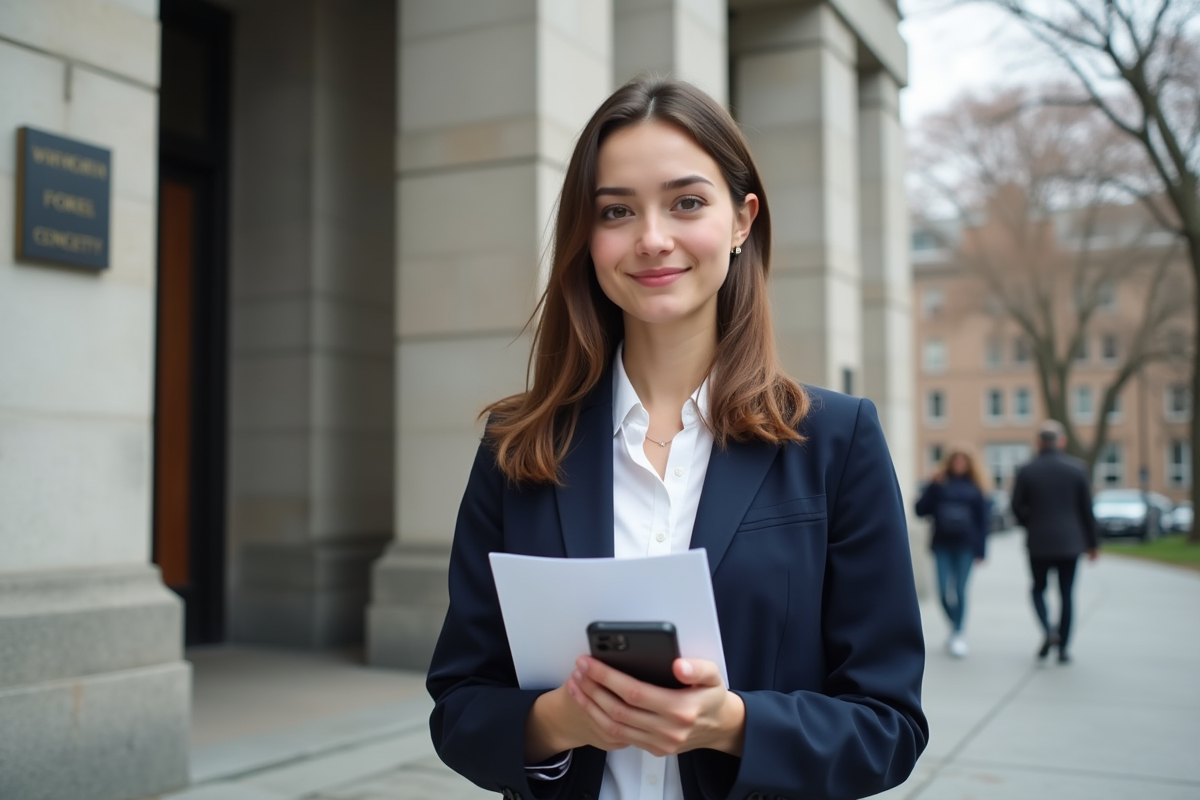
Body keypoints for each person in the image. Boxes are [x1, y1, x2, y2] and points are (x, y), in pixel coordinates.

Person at [426, 78, 928, 800]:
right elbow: (460, 705)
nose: (651, 238)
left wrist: (730, 722)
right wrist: (559, 721)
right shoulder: (518, 447)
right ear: (586, 237)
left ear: (741, 220)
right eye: (616, 211)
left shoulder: (836, 442)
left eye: (687, 202)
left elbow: (889, 727)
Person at [1010, 420, 1099, 664]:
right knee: (1066, 594)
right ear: (1061, 441)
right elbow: (1086, 510)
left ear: (1038, 442)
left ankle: (1049, 631)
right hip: (1070, 543)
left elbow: (1016, 507)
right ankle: (1063, 647)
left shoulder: (1026, 470)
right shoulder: (1077, 469)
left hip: (1039, 542)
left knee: (1038, 588)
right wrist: (1093, 544)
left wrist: (1031, 523)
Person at [914, 446, 990, 658]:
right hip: (942, 545)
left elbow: (983, 522)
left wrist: (981, 551)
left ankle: (958, 633)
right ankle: (955, 624)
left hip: (966, 546)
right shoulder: (939, 484)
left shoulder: (975, 488)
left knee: (960, 591)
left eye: (962, 461)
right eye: (955, 461)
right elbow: (920, 510)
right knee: (941, 592)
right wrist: (932, 487)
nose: (958, 465)